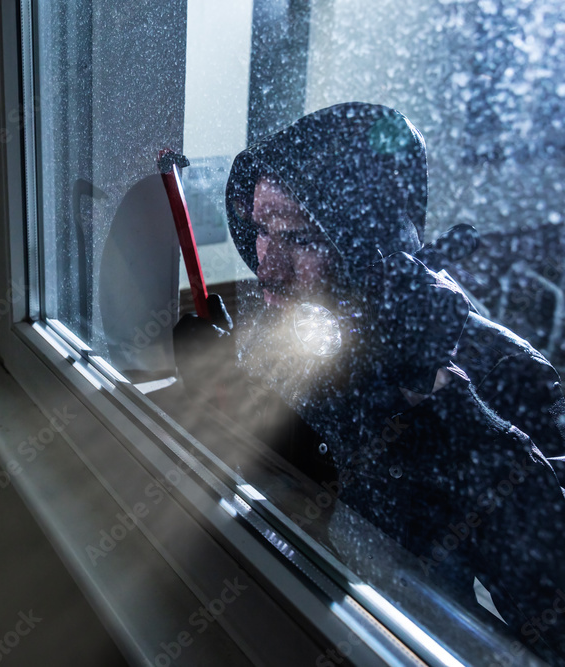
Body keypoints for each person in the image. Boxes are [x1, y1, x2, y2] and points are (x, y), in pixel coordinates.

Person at [174, 102, 565, 662]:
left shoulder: (505, 374)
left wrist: (444, 406)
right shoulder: (303, 331)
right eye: (261, 230)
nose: (269, 266)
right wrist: (217, 391)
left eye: (301, 239)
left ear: (372, 246)